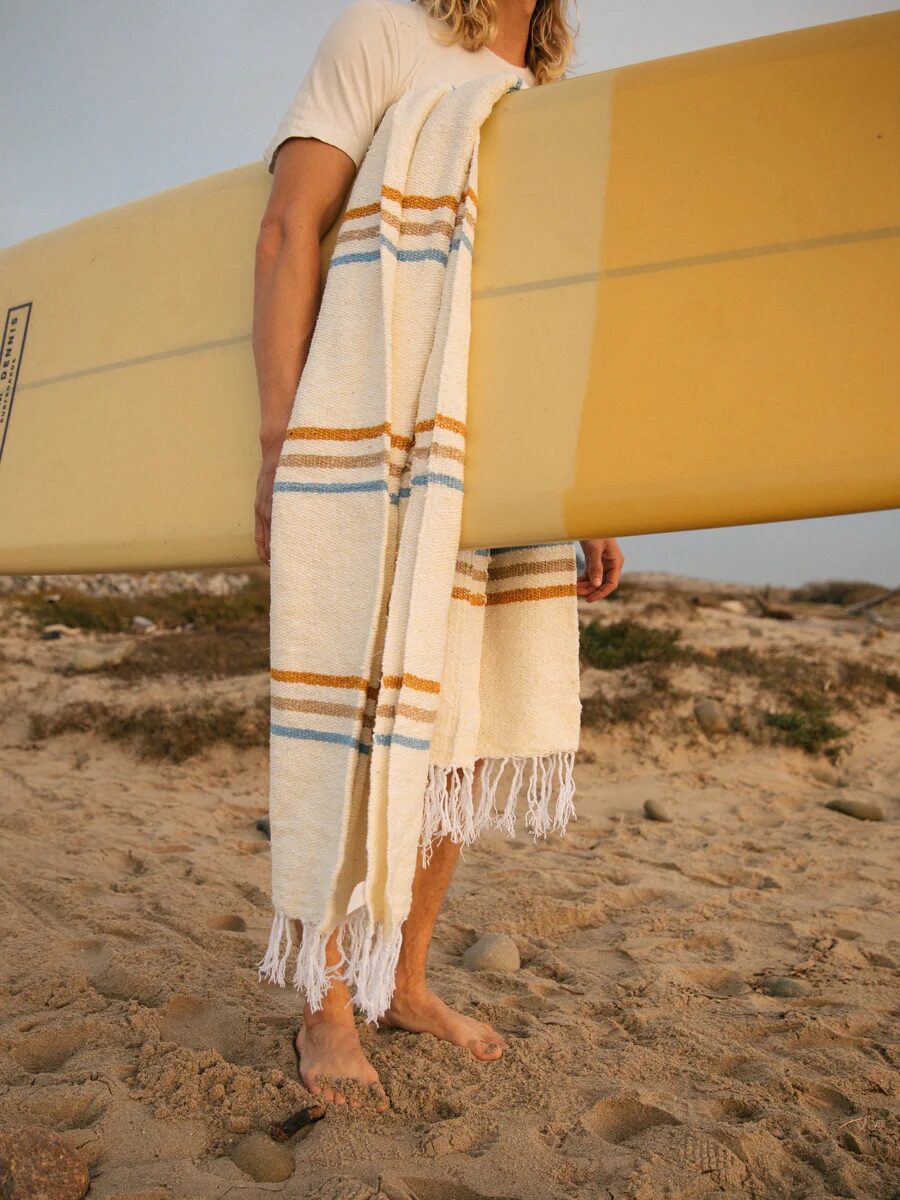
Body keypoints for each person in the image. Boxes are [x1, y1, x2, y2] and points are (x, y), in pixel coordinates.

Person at [252, 0, 624, 1112]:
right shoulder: (384, 29)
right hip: (375, 437)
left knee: (458, 745)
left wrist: (590, 484)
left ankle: (404, 984)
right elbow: (291, 226)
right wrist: (283, 444)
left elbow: (542, 301)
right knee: (360, 727)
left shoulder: (542, 88)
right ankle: (326, 1006)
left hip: (491, 451)